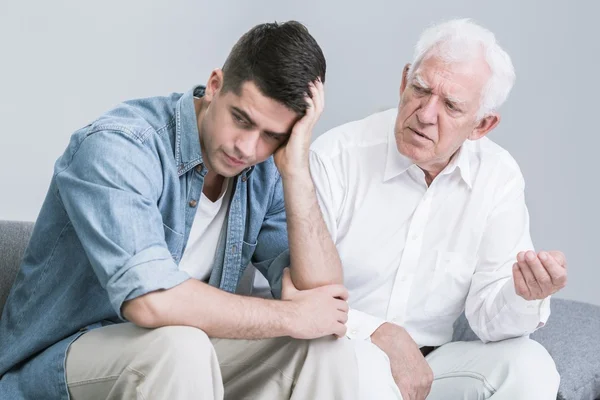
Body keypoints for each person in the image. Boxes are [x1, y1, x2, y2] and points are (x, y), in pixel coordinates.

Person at [0, 21, 356, 400]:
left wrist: (297, 169)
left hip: (185, 362)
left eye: (272, 135)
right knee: (181, 346)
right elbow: (150, 300)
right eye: (241, 119)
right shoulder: (119, 147)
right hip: (58, 365)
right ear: (216, 85)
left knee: (320, 347)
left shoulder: (266, 170)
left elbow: (323, 300)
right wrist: (290, 317)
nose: (247, 148)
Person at [307, 18, 567, 399]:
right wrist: (380, 334)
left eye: (451, 105)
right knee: (360, 374)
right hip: (343, 349)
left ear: (482, 125)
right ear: (403, 82)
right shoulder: (335, 158)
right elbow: (303, 291)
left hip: (434, 365)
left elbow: (488, 320)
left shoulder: (498, 176)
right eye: (420, 89)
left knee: (531, 366)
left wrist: (525, 294)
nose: (426, 114)